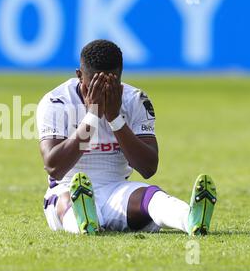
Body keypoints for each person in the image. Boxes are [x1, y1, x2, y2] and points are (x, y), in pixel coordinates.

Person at [37, 39, 217, 235]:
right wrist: (92, 116)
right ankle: (85, 222)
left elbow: (148, 168)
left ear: (120, 76)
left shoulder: (135, 100)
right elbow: (55, 167)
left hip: (116, 189)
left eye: (111, 86)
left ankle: (190, 220)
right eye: (94, 87)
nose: (103, 95)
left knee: (153, 197)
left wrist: (115, 119)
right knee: (67, 201)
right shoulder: (56, 102)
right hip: (67, 187)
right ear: (79, 75)